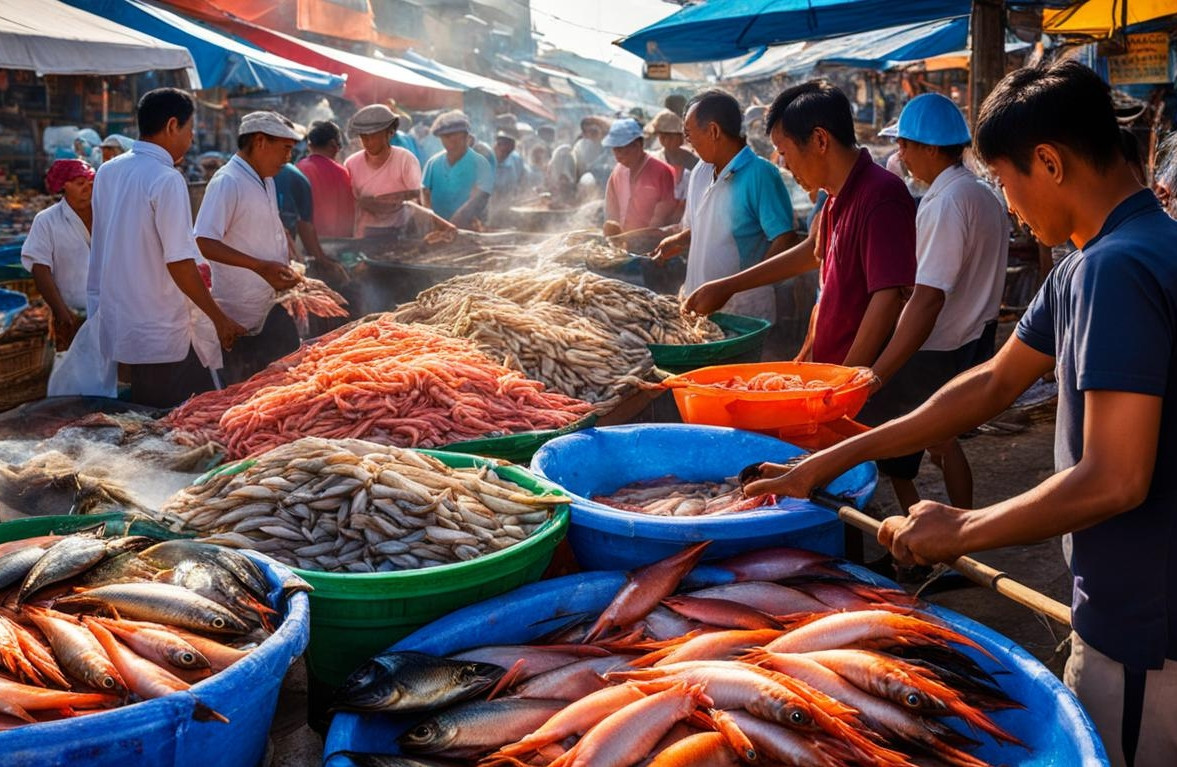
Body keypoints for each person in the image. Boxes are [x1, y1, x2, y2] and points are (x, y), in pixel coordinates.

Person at [752, 60, 1177, 766]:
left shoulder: (1119, 266)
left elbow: (1115, 478)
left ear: (1049, 162)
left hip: (1145, 626)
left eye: (1006, 183)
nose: (1007, 206)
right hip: (1124, 605)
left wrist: (962, 528)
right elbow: (988, 384)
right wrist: (833, 456)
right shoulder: (1089, 258)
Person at [683, 81, 914, 379]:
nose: (785, 166)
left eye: (784, 152)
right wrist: (728, 286)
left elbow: (888, 297)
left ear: (819, 140)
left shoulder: (881, 194)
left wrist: (843, 383)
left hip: (858, 383)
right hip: (829, 369)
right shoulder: (834, 198)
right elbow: (811, 255)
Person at [860, 93, 1010, 515]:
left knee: (902, 444)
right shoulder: (981, 193)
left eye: (906, 145)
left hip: (936, 347)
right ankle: (948, 536)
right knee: (941, 442)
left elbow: (928, 299)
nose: (901, 154)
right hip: (972, 338)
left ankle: (944, 539)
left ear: (930, 148)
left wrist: (878, 372)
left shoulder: (946, 202)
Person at [90, 88, 244, 408]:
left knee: (145, 412)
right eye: (189, 131)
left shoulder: (108, 170)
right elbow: (179, 262)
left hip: (121, 321)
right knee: (180, 419)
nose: (190, 140)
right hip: (158, 327)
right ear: (173, 126)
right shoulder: (166, 178)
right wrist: (219, 318)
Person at [652, 90, 798, 322]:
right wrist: (680, 239)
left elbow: (785, 239)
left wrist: (745, 286)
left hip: (744, 310)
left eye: (689, 135)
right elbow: (707, 226)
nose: (688, 143)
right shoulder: (701, 170)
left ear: (713, 131)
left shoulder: (760, 174)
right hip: (697, 300)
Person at [194, 111, 302, 384]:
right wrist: (259, 266)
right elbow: (204, 241)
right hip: (238, 314)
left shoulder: (265, 179)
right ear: (260, 141)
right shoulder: (227, 181)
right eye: (285, 149)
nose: (288, 158)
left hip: (268, 306)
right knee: (245, 390)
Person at [21, 160, 94, 350]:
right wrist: (61, 312)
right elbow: (40, 268)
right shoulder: (46, 220)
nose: (87, 188)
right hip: (72, 314)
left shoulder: (108, 215)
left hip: (113, 313)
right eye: (80, 183)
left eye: (91, 183)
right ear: (64, 186)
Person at [344, 104, 422, 238]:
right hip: (365, 234)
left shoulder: (405, 159)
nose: (368, 142)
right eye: (364, 137)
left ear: (390, 133)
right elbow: (349, 202)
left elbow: (416, 196)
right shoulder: (351, 163)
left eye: (373, 136)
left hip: (400, 232)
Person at [273, 160, 346, 284]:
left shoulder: (296, 179)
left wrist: (322, 260)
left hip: (283, 265)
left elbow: (305, 225)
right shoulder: (237, 179)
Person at [601, 118, 677, 237]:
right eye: (615, 150)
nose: (618, 156)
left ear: (638, 145)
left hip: (651, 241)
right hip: (622, 240)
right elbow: (611, 208)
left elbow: (663, 212)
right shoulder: (617, 171)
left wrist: (644, 239)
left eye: (622, 150)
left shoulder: (662, 172)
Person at [422, 110, 494, 229]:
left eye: (456, 138)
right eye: (446, 137)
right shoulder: (433, 163)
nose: (451, 142)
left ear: (466, 136)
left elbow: (481, 195)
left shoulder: (480, 163)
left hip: (471, 226)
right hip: (439, 227)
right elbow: (425, 192)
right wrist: (430, 216)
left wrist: (461, 216)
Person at [297, 120, 356, 239]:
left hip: (306, 239)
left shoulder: (299, 168)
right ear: (333, 144)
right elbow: (349, 211)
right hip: (336, 238)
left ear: (310, 146)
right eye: (339, 145)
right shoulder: (341, 172)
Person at [648, 109, 699, 217]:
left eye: (671, 137)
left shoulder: (694, 163)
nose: (667, 141)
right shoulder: (656, 159)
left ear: (681, 137)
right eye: (663, 137)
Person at [492, 129, 525, 202]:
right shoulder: (485, 160)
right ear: (496, 146)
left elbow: (522, 183)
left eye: (509, 147)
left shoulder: (517, 160)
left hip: (508, 203)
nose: (504, 153)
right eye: (502, 145)